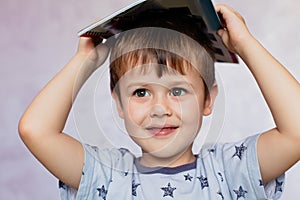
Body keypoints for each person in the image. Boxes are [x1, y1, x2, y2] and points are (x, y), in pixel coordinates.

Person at [18, 4, 300, 200]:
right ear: (118, 103)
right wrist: (86, 60)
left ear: (207, 100)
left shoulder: (229, 171)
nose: (159, 109)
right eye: (141, 92)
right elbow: (35, 130)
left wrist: (244, 43)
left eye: (177, 91)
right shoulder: (108, 176)